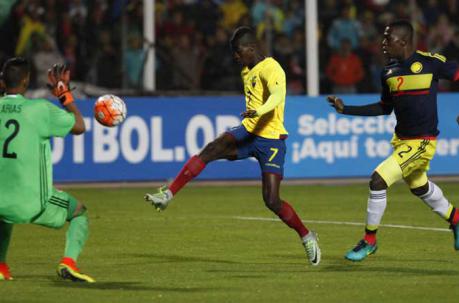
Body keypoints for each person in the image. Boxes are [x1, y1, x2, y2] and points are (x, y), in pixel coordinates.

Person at [145, 26, 321, 266]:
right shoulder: (246, 72)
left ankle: (306, 236)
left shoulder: (272, 67)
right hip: (248, 131)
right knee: (211, 149)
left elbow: (279, 96)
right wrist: (253, 117)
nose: (236, 57)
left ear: (252, 48)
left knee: (271, 200)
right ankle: (168, 194)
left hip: (271, 139)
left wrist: (259, 111)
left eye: (238, 52)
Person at [327, 20, 459, 262]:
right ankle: (456, 219)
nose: (383, 44)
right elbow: (384, 108)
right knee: (420, 186)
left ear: (404, 42)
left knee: (378, 180)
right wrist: (347, 110)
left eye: (388, 39)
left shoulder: (429, 63)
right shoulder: (388, 72)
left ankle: (369, 241)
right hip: (402, 141)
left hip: (422, 142)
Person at [0, 57, 94, 282]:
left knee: (4, 213)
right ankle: (68, 263)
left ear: (3, 82)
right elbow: (80, 126)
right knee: (79, 212)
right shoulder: (39, 109)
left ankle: (1, 267)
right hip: (33, 202)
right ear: (26, 81)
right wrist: (64, 94)